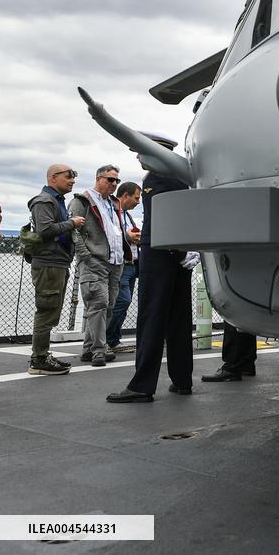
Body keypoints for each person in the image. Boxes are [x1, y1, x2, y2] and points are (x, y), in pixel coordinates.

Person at [107, 132, 198, 403]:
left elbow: (165, 218)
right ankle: (182, 380)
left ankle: (142, 385)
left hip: (160, 254)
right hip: (176, 254)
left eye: (140, 151)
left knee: (151, 319)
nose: (138, 156)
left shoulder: (158, 179)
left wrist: (177, 249)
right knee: (178, 319)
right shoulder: (178, 178)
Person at [27, 165, 85, 375]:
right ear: (53, 178)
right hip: (49, 264)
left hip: (57, 263)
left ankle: (42, 355)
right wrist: (71, 223)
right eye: (68, 176)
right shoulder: (44, 201)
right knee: (46, 311)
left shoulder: (55, 201)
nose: (72, 181)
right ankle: (39, 360)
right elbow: (44, 230)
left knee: (51, 311)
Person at [69, 165, 126, 367]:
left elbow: (115, 231)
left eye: (116, 181)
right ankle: (99, 350)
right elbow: (74, 231)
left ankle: (89, 348)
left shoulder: (114, 203)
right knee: (98, 304)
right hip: (95, 262)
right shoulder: (82, 201)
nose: (114, 184)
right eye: (110, 179)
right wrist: (86, 256)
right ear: (98, 178)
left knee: (107, 306)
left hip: (115, 262)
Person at [105, 181, 142, 353]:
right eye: (136, 197)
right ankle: (107, 339)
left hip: (132, 264)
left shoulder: (126, 214)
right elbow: (111, 234)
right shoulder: (114, 211)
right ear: (125, 195)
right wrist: (128, 236)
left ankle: (112, 340)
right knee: (122, 301)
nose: (139, 201)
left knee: (123, 303)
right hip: (122, 265)